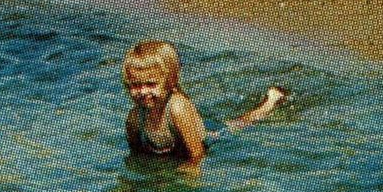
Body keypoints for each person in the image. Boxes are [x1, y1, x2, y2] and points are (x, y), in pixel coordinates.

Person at [122, 40, 286, 163]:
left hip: (211, 137)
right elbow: (136, 156)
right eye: (135, 85)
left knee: (240, 124)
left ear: (170, 82)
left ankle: (270, 102)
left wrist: (188, 176)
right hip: (179, 145)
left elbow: (197, 154)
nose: (142, 91)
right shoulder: (135, 118)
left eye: (151, 84)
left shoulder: (177, 108)